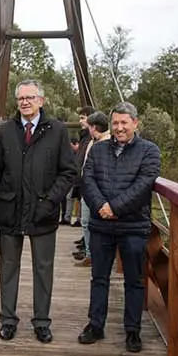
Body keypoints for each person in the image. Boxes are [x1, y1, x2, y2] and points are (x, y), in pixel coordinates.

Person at [0, 79, 77, 343]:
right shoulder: (5, 130)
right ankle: (8, 320)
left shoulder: (57, 130)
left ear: (41, 101)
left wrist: (50, 201)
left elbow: (69, 171)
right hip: (9, 210)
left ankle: (42, 322)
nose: (25, 102)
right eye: (21, 98)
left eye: (30, 97)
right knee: (8, 267)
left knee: (43, 268)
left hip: (42, 211)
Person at [79, 102, 160, 352]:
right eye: (115, 123)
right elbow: (87, 179)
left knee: (134, 280)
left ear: (135, 123)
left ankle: (132, 330)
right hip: (101, 225)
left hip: (133, 225)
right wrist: (101, 206)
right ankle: (95, 325)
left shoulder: (149, 151)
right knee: (99, 277)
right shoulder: (98, 149)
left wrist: (114, 207)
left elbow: (144, 184)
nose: (119, 127)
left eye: (124, 122)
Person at [73, 111, 110, 267]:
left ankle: (95, 255)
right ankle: (90, 253)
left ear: (93, 127)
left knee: (92, 223)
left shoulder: (107, 144)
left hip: (97, 192)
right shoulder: (93, 141)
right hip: (87, 189)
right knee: (87, 222)